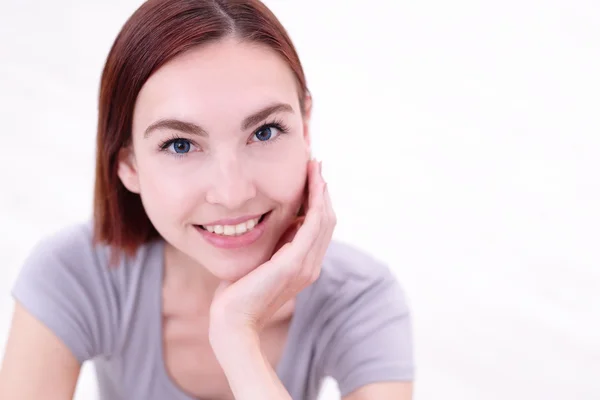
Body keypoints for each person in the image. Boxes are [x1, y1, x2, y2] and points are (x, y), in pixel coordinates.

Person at [0, 1, 414, 399]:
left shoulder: (362, 299)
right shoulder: (75, 274)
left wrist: (237, 337)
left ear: (305, 127)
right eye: (180, 145)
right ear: (128, 164)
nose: (233, 194)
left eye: (265, 131)